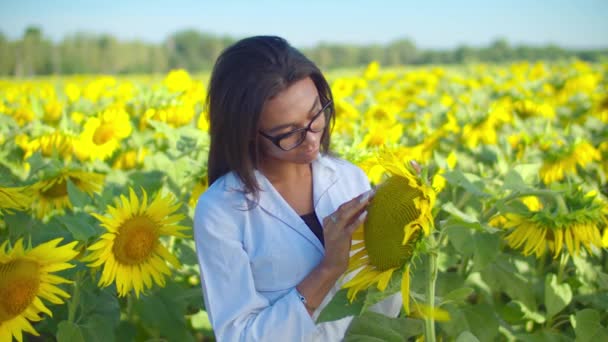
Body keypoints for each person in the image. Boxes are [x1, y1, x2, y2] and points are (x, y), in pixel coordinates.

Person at [193, 35, 401, 341]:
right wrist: (328, 270)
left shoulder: (349, 178)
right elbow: (239, 336)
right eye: (289, 133)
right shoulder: (221, 212)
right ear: (247, 133)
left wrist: (398, 224)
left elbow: (382, 314)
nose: (312, 140)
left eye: (316, 115)